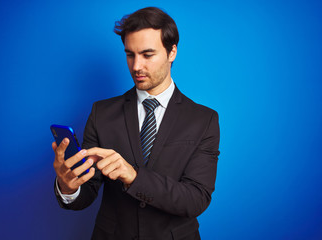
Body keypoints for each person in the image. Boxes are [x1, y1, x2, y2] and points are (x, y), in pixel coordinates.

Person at [52, 7, 220, 240]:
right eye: (130, 54)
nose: (136, 66)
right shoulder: (102, 113)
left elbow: (195, 199)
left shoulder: (204, 120)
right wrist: (69, 187)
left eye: (147, 54)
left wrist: (132, 175)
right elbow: (88, 193)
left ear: (172, 52)